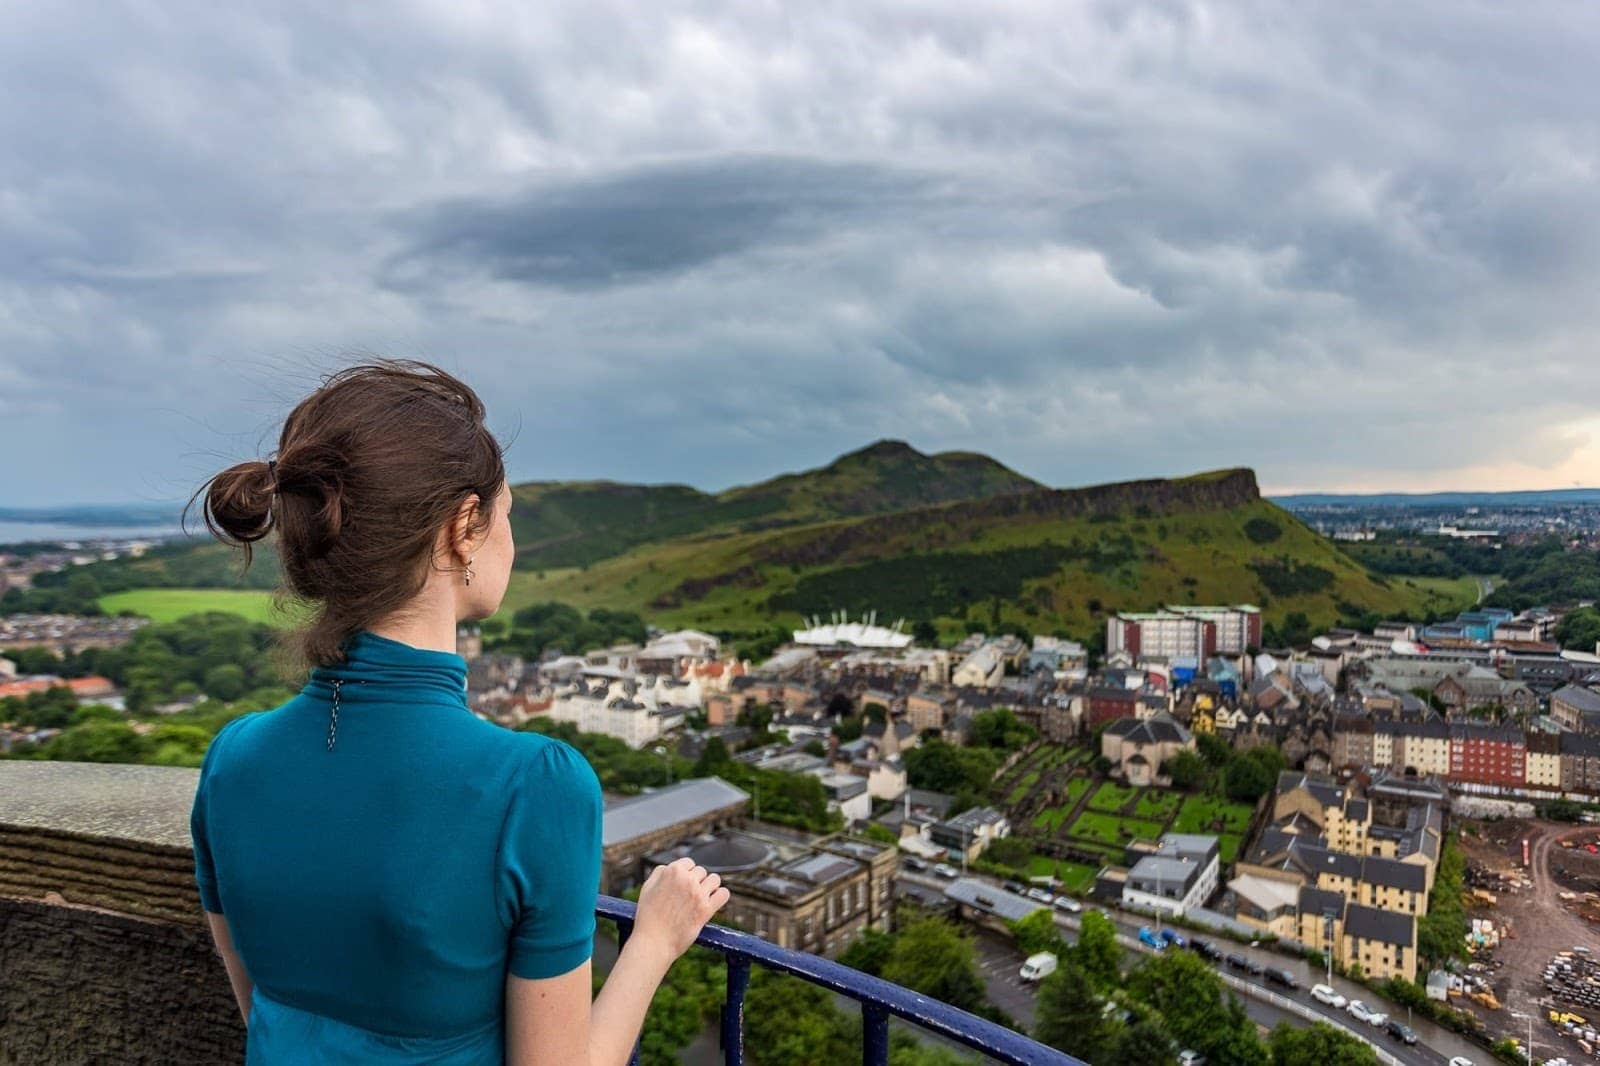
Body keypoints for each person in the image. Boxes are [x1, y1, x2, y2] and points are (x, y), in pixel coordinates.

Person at [186, 358, 729, 1064]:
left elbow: (265, 1017)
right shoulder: (535, 785)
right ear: (464, 528)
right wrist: (655, 940)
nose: (513, 538)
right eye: (507, 514)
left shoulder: (233, 760)